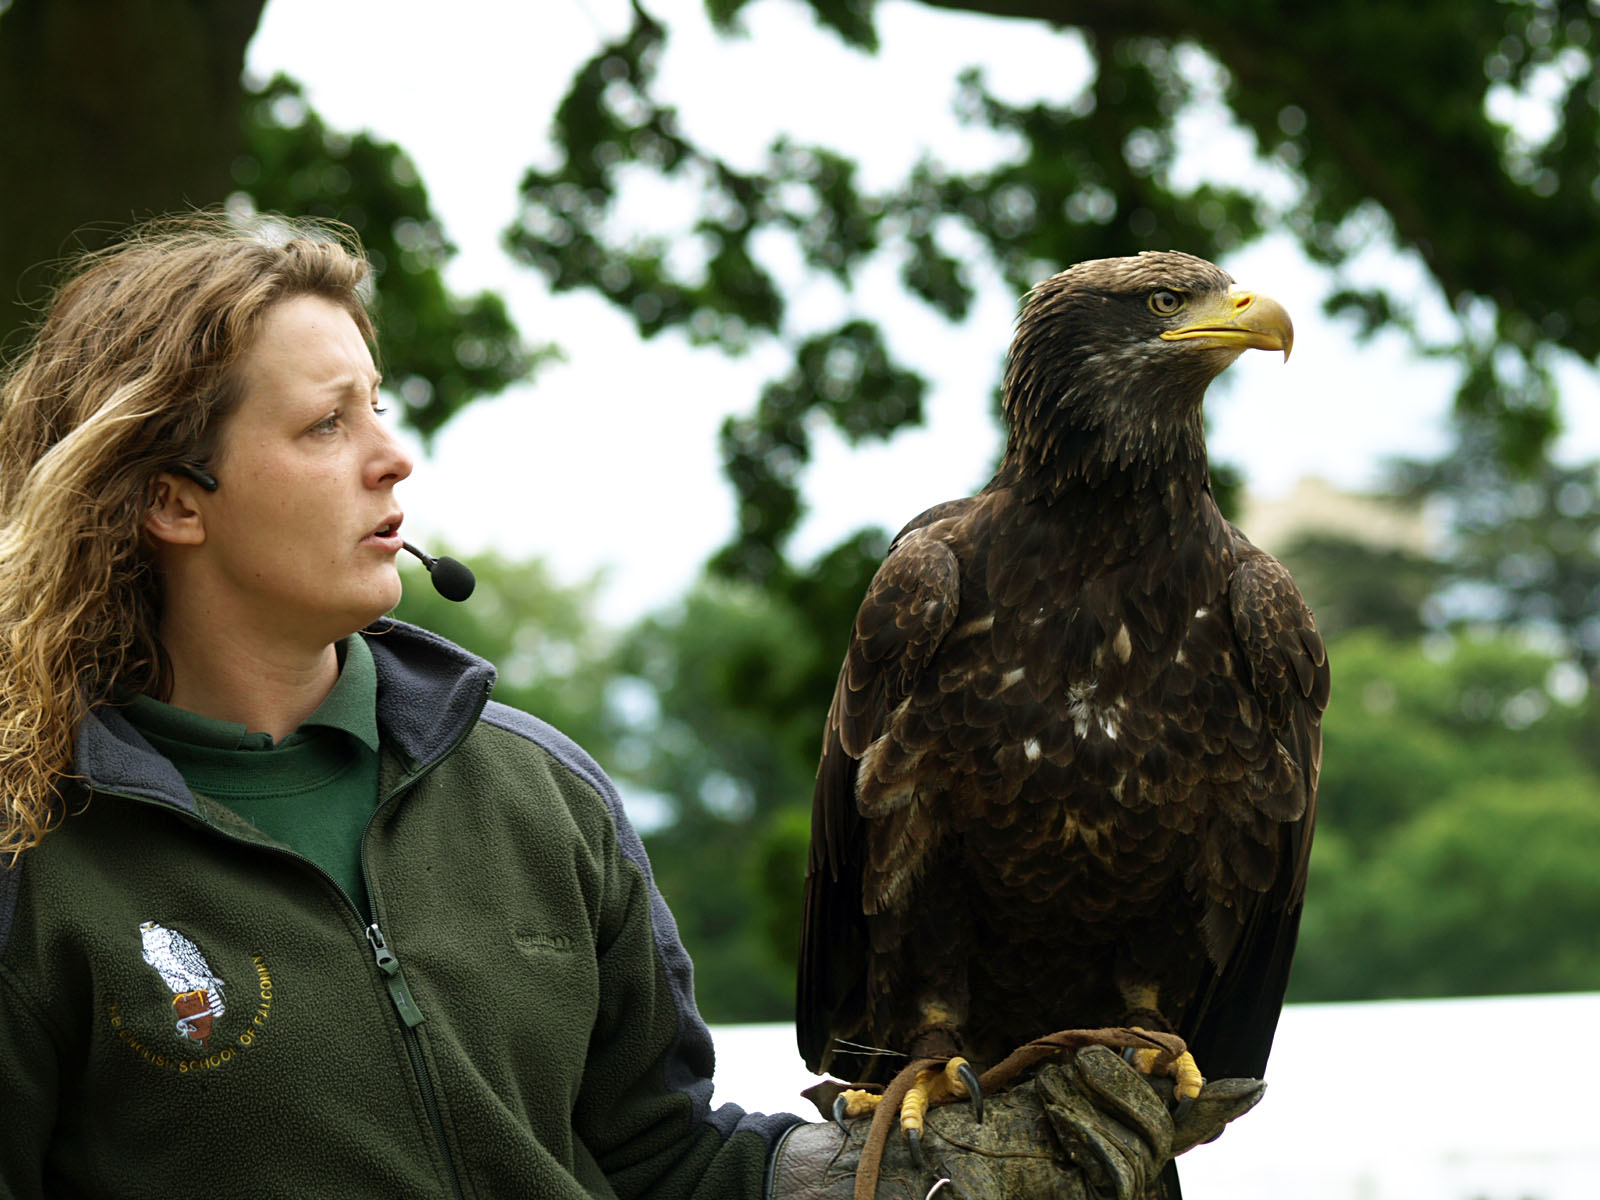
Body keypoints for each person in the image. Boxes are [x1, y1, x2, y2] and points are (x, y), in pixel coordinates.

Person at [0, 214, 1258, 1198]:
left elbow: (659, 1159)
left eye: (377, 405)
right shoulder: (35, 855)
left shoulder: (533, 796)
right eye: (327, 425)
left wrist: (899, 1182)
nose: (393, 456)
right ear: (172, 499)